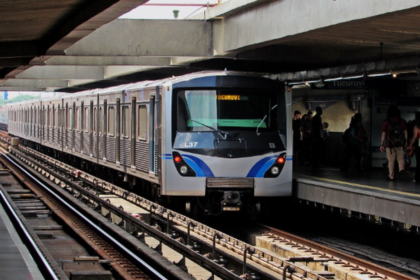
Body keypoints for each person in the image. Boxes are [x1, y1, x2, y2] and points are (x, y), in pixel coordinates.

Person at [380, 105, 407, 180]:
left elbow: (384, 134)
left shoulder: (386, 122)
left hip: (390, 145)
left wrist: (382, 144)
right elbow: (405, 133)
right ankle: (401, 170)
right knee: (401, 159)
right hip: (400, 144)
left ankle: (391, 176)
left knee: (391, 161)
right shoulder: (402, 121)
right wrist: (406, 142)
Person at [407, 111, 420, 183]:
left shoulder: (417, 127)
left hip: (418, 147)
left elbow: (414, 138)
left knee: (418, 162)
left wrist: (410, 145)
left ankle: (417, 177)